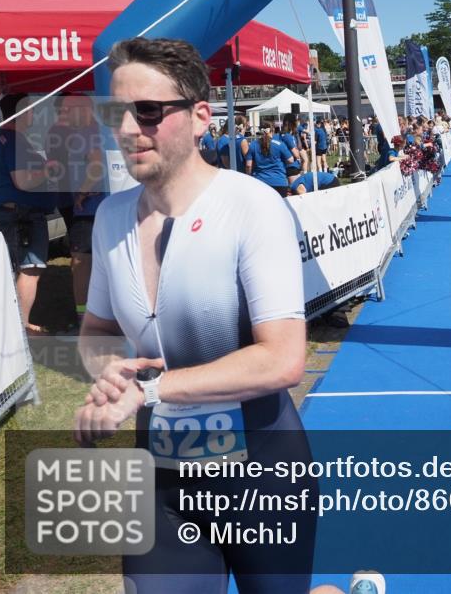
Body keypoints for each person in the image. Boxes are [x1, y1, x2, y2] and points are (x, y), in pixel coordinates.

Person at [74, 37, 316, 594]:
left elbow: (282, 360)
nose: (128, 129)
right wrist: (110, 372)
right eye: (115, 113)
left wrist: (150, 390)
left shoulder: (252, 206)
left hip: (263, 472)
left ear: (201, 116)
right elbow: (97, 332)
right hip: (161, 481)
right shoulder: (110, 217)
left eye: (148, 111)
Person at [0, 94, 58, 334]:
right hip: (22, 215)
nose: (34, 114)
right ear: (21, 112)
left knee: (18, 269)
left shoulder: (7, 139)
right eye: (30, 109)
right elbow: (23, 181)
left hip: (16, 213)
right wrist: (47, 170)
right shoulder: (12, 140)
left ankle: (13, 327)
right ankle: (20, 328)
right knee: (30, 268)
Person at [46, 93, 106, 324]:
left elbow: (97, 166)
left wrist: (82, 191)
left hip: (88, 209)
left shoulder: (88, 133)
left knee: (81, 262)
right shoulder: (97, 131)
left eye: (69, 110)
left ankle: (85, 318)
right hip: (96, 207)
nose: (65, 115)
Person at [246, 121, 296, 196]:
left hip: (260, 182)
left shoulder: (253, 145)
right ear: (272, 131)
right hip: (279, 182)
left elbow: (248, 165)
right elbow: (291, 160)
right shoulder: (279, 144)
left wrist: (249, 177)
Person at [280, 112, 304, 181]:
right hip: (291, 166)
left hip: (294, 165)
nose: (297, 124)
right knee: (296, 186)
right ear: (291, 123)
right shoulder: (287, 136)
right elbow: (296, 154)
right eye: (295, 122)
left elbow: (299, 147)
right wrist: (297, 152)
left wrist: (297, 135)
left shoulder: (291, 135)